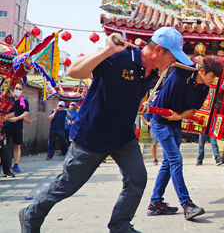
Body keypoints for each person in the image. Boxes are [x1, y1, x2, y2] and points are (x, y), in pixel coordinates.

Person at [20, 29, 178, 233]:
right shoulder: (119, 57)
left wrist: (140, 106)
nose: (174, 61)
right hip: (92, 134)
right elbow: (74, 72)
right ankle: (30, 214)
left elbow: (135, 96)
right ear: (158, 50)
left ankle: (120, 225)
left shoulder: (154, 72)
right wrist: (107, 51)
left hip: (123, 136)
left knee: (137, 177)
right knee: (68, 185)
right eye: (173, 56)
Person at [148, 55, 224, 220]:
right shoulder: (181, 72)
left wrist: (178, 117)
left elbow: (193, 110)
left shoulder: (204, 89)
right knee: (175, 159)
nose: (214, 80)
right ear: (202, 71)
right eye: (213, 76)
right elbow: (177, 51)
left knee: (168, 163)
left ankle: (155, 203)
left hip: (175, 124)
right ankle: (187, 205)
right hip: (159, 122)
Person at [3, 83, 29, 173]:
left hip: (17, 126)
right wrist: (8, 117)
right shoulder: (7, 100)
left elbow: (25, 113)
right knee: (3, 146)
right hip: (6, 125)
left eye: (19, 88)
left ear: (22, 90)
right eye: (16, 88)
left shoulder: (24, 101)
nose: (17, 89)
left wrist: (17, 118)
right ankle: (3, 164)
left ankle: (16, 164)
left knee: (17, 146)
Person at [140, 91, 159, 165]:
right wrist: (147, 122)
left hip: (163, 126)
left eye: (158, 95)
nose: (156, 97)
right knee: (153, 143)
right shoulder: (150, 105)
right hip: (154, 126)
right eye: (155, 95)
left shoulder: (163, 105)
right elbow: (141, 114)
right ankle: (155, 159)